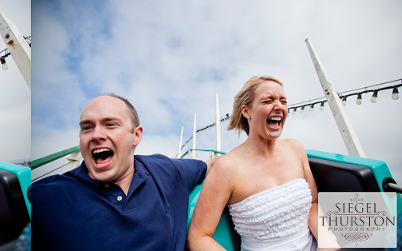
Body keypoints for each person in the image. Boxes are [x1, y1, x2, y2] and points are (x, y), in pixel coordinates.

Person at [30, 94, 213, 250]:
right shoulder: (48, 197)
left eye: (110, 124)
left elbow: (215, 164)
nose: (96, 135)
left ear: (136, 135)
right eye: (87, 127)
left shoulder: (165, 170)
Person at [187, 75, 319, 250]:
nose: (279, 106)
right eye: (268, 101)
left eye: (283, 101)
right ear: (246, 111)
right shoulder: (227, 167)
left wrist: (328, 241)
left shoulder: (296, 148)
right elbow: (198, 237)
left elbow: (314, 203)